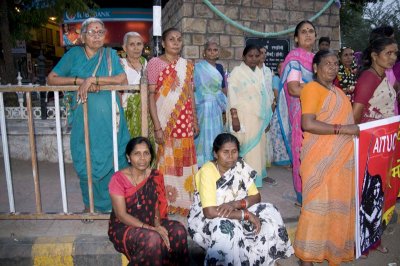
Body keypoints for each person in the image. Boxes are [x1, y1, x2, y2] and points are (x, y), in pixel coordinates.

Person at [47, 17, 130, 214]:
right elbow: (52, 78)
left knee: (115, 161)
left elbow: (121, 78)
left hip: (110, 121)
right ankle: (89, 205)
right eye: (92, 32)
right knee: (85, 161)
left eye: (100, 32)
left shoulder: (110, 55)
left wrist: (94, 80)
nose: (96, 36)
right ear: (83, 36)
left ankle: (116, 207)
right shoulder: (74, 54)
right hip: (83, 121)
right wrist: (80, 81)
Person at [188, 133, 294, 265]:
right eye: (225, 152)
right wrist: (245, 215)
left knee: (270, 210)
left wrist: (237, 203)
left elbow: (256, 196)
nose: (230, 156)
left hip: (236, 209)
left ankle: (261, 259)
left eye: (234, 151)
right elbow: (209, 212)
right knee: (226, 229)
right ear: (215, 154)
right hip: (211, 218)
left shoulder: (240, 166)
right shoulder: (207, 171)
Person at [295, 50, 360, 265]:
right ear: (315, 68)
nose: (332, 67)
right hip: (319, 157)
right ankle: (307, 258)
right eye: (327, 63)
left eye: (335, 63)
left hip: (341, 160)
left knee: (334, 206)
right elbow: (308, 124)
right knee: (316, 207)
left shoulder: (339, 93)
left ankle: (332, 252)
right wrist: (343, 129)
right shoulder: (312, 89)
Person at [108, 137, 189, 265]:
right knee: (153, 238)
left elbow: (155, 205)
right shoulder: (118, 179)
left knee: (179, 230)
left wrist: (157, 225)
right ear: (128, 157)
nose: (142, 158)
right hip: (125, 226)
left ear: (151, 156)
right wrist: (151, 229)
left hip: (151, 221)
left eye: (146, 153)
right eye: (137, 154)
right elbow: (121, 215)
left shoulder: (154, 175)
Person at [147, 28, 198, 215]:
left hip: (185, 122)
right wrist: (157, 127)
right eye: (171, 39)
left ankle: (184, 203)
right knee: (166, 162)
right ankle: (166, 202)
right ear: (163, 43)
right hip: (164, 120)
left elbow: (190, 93)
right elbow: (152, 96)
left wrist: (195, 118)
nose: (176, 42)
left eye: (179, 39)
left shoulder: (187, 65)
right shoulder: (154, 63)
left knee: (184, 161)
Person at [277, 20, 316, 204]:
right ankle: (303, 196)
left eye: (311, 31)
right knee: (304, 153)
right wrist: (320, 91)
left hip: (319, 113)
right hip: (302, 114)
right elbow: (293, 89)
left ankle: (316, 193)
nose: (308, 34)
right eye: (303, 32)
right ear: (296, 38)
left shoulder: (318, 59)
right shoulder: (294, 59)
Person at [227, 44, 273, 188]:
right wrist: (234, 117)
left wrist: (267, 116)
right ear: (243, 57)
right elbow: (231, 94)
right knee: (247, 148)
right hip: (243, 115)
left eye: (256, 56)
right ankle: (246, 180)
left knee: (258, 148)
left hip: (258, 117)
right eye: (250, 56)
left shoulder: (259, 72)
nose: (253, 59)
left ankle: (256, 177)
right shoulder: (237, 72)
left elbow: (263, 95)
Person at [194, 41, 227, 168]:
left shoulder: (219, 67)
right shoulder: (198, 67)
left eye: (215, 50)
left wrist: (227, 105)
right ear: (204, 52)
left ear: (218, 53)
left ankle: (215, 160)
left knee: (216, 132)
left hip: (217, 106)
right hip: (203, 105)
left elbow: (223, 87)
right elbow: (195, 88)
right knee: (202, 134)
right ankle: (201, 163)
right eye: (209, 50)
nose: (212, 52)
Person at [353, 37, 398, 124]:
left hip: (384, 132)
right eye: (389, 53)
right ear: (374, 56)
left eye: (395, 53)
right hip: (372, 133)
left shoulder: (382, 75)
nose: (393, 57)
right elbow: (355, 116)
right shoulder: (368, 79)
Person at [120, 32, 154, 140]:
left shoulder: (146, 63)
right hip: (126, 111)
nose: (136, 48)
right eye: (132, 44)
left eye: (139, 44)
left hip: (145, 111)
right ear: (125, 48)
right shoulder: (120, 64)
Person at [258, 46, 277, 185]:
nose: (263, 55)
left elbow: (270, 92)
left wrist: (271, 108)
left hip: (267, 110)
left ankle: (263, 172)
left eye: (265, 53)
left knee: (266, 140)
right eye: (260, 53)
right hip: (254, 110)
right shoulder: (250, 70)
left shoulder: (268, 71)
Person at [270, 61, 291, 167]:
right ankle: (281, 160)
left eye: (283, 67)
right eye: (279, 67)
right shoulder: (276, 79)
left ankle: (289, 160)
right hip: (280, 111)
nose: (281, 69)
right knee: (278, 136)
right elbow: (277, 95)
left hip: (289, 112)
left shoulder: (290, 80)